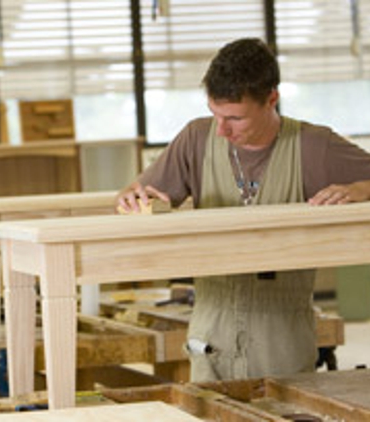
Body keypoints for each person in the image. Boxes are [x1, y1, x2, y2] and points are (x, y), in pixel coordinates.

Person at [116, 38, 370, 382]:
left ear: (271, 99)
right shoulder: (196, 138)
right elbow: (138, 195)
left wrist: (360, 188)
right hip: (210, 334)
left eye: (235, 118)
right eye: (215, 114)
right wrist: (134, 197)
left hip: (283, 338)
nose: (222, 130)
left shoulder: (313, 147)